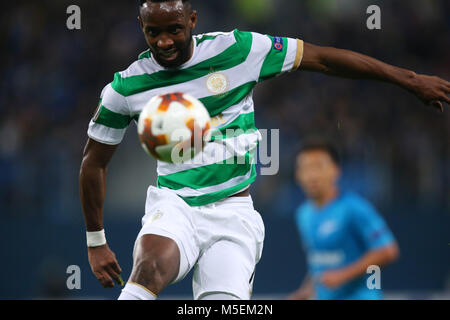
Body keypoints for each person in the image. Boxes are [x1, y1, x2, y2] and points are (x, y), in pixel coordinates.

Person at [79, 0, 449, 300]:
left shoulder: (240, 50)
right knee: (150, 266)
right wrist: (96, 242)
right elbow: (93, 162)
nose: (163, 42)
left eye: (173, 29)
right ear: (141, 27)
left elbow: (321, 58)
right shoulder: (125, 89)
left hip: (234, 213)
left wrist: (409, 79)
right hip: (174, 203)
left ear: (192, 20)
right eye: (152, 32)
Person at [288, 138, 399, 300]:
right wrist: (306, 291)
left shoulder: (354, 208)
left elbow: (388, 250)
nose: (312, 175)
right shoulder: (303, 214)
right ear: (298, 175)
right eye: (305, 168)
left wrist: (342, 275)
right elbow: (319, 262)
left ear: (336, 170)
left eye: (318, 166)